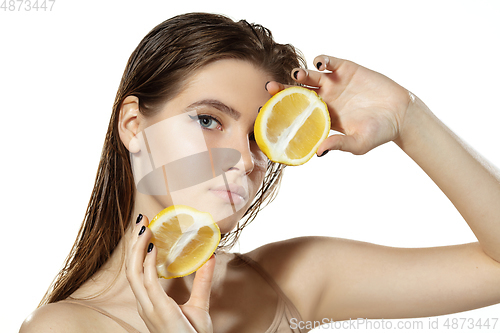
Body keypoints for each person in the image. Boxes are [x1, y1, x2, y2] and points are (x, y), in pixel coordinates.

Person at [20, 12, 500, 333]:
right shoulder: (65, 327)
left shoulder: (289, 278)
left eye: (258, 138)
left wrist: (408, 118)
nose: (245, 161)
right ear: (133, 126)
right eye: (208, 120)